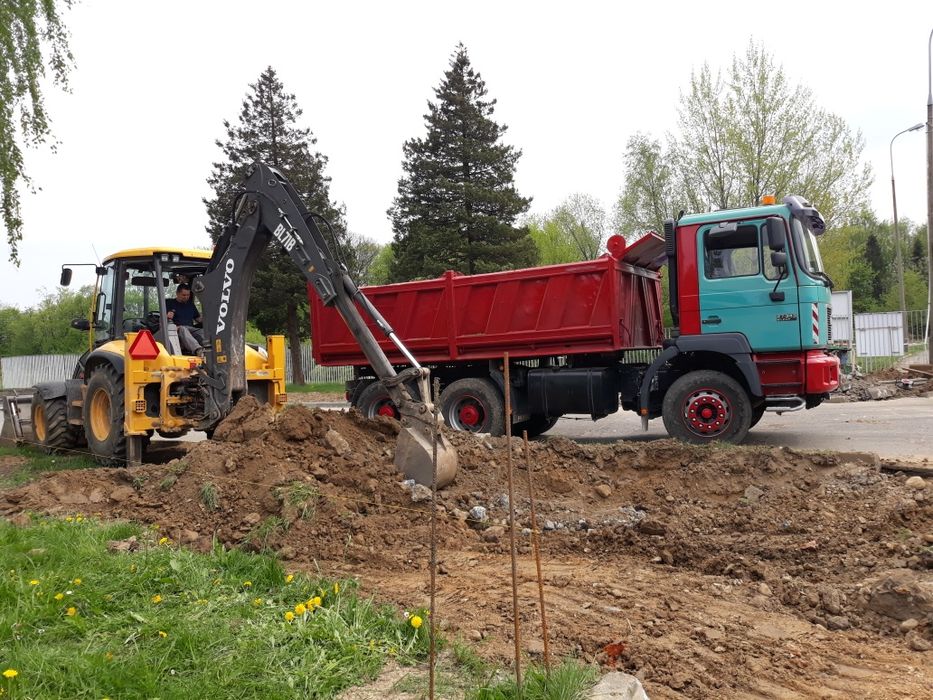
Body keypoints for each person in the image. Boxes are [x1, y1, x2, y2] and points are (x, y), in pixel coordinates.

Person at [166, 283, 204, 354]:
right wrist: (167, 316)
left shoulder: (190, 305)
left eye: (188, 295)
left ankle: (210, 349)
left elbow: (198, 319)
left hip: (191, 329)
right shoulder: (169, 303)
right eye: (184, 295)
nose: (186, 297)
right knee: (183, 329)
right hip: (177, 329)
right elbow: (162, 318)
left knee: (203, 331)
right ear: (177, 293)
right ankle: (198, 350)